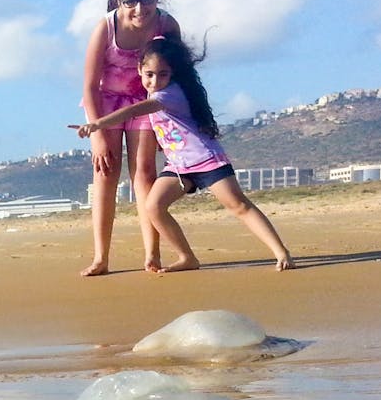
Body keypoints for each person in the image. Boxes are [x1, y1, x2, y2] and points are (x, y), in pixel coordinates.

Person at [71, 36, 294, 272]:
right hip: (179, 166)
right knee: (153, 207)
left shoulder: (169, 94)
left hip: (206, 160)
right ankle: (187, 257)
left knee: (238, 205)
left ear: (172, 74)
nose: (155, 81)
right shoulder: (156, 91)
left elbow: (137, 110)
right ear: (139, 69)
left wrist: (98, 124)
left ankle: (281, 252)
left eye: (163, 74)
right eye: (149, 74)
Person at [79, 0, 182, 276]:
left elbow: (181, 78)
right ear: (119, 2)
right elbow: (89, 84)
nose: (140, 8)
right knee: (105, 174)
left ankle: (152, 254)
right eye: (131, 1)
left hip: (147, 104)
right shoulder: (106, 29)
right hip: (106, 103)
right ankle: (101, 258)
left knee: (145, 174)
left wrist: (174, 126)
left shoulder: (167, 25)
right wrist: (96, 133)